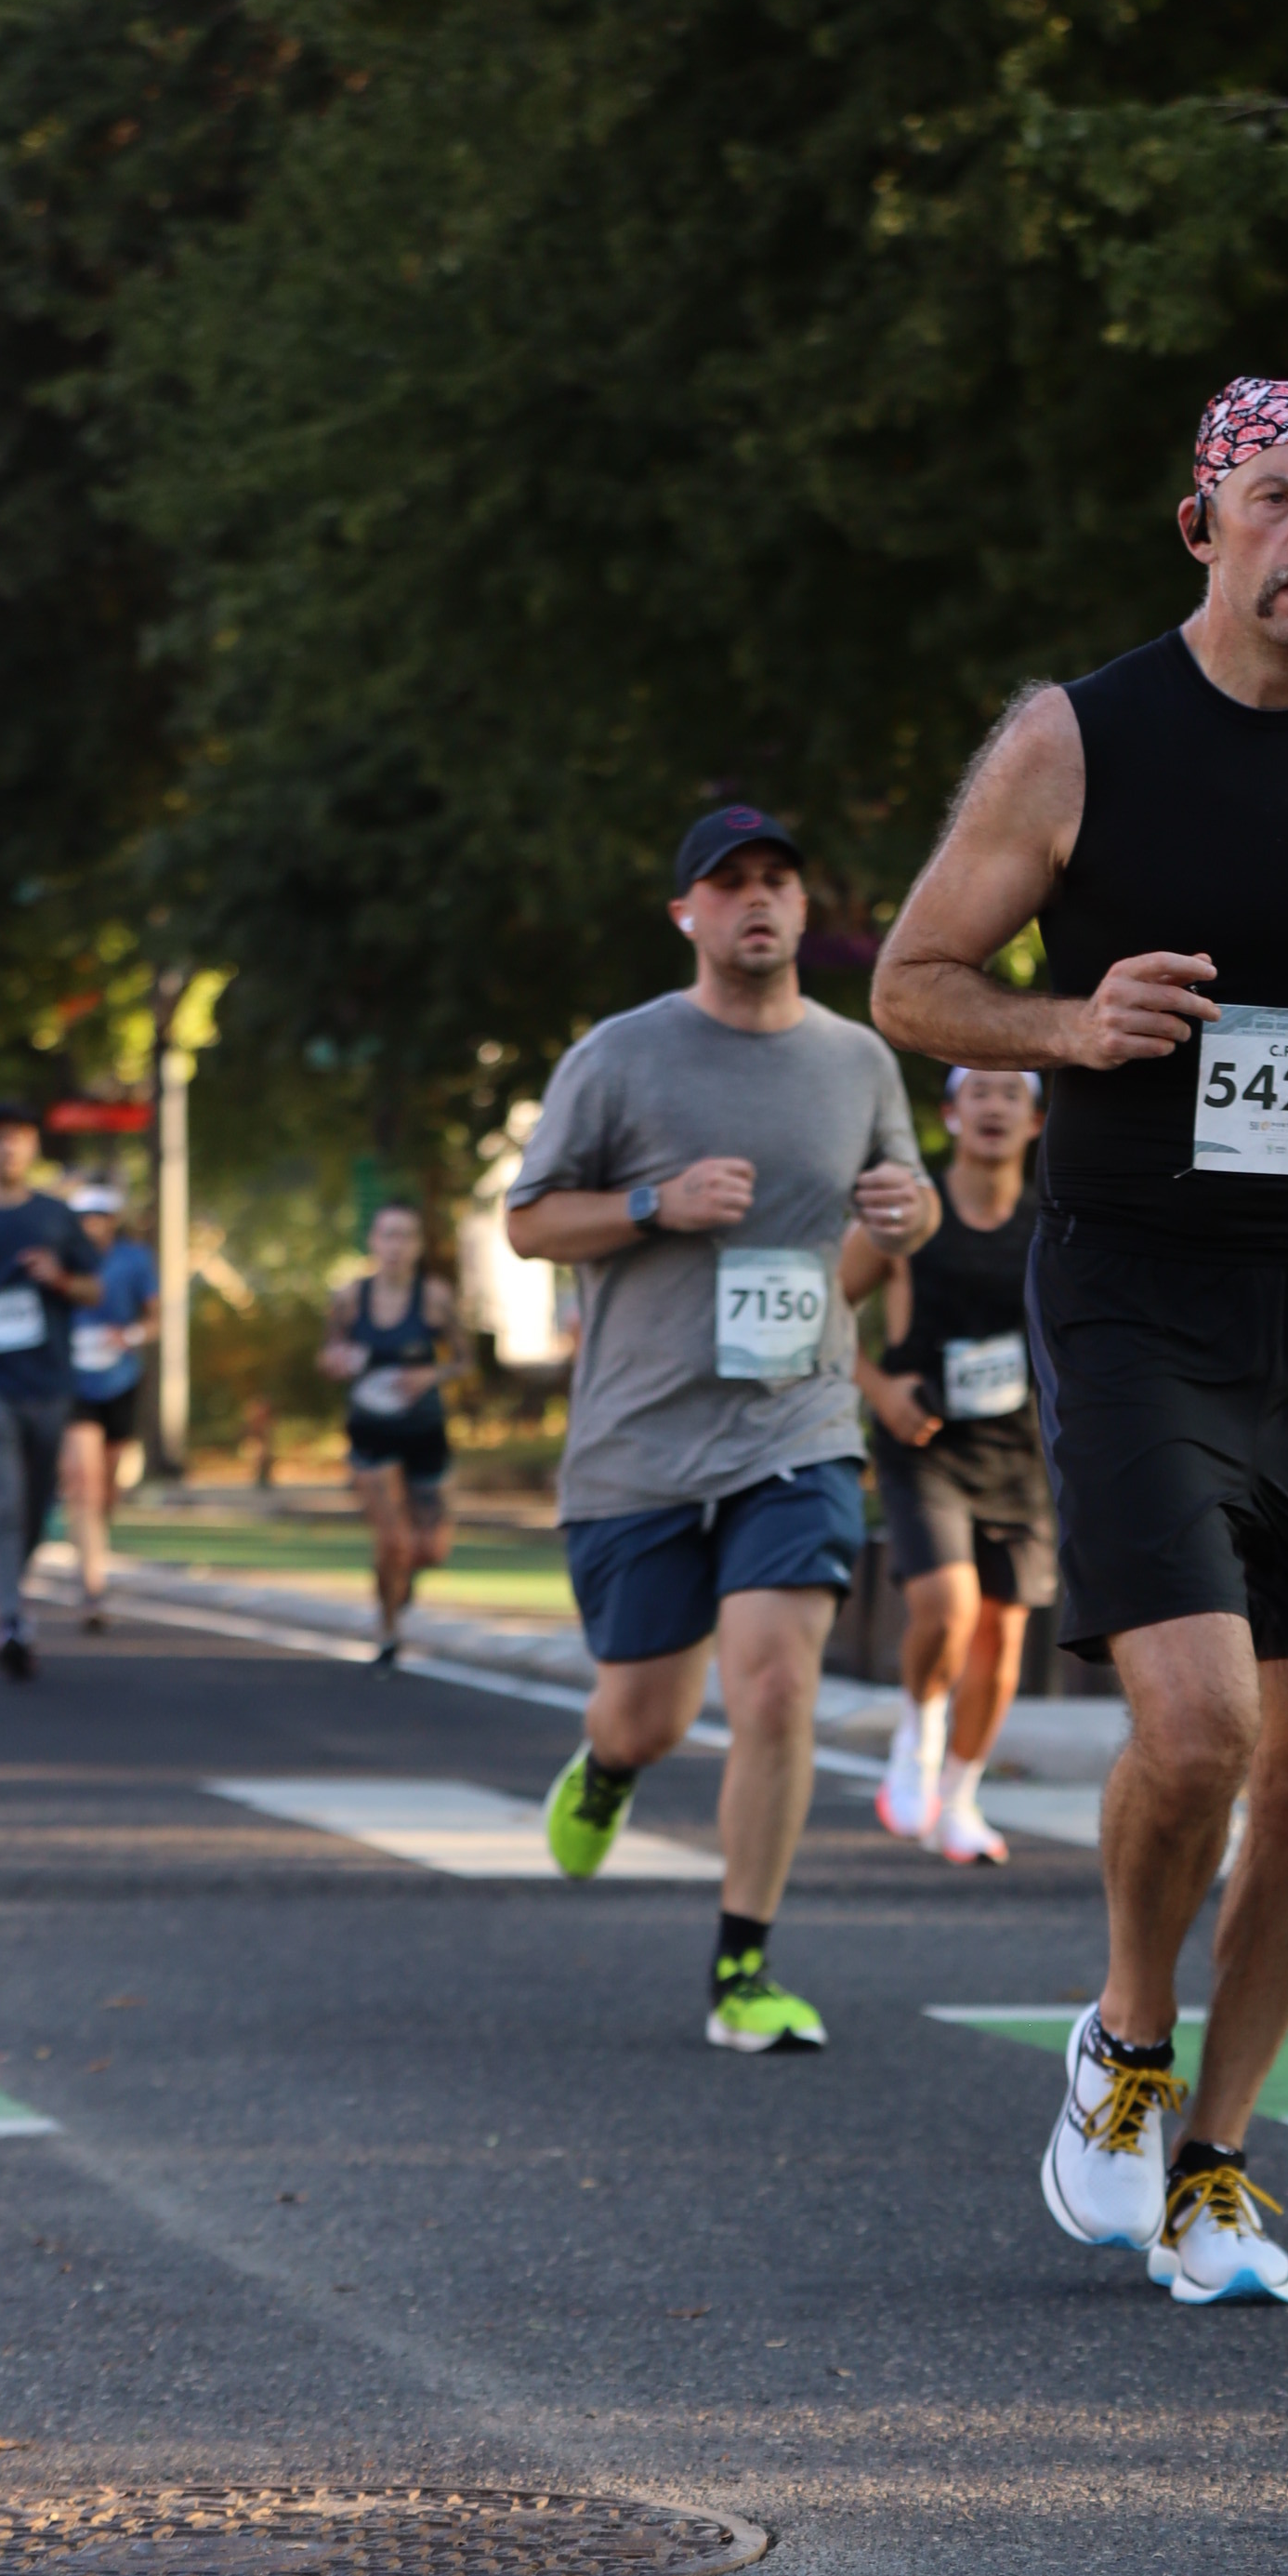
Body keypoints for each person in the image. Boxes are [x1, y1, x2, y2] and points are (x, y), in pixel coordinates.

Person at [873, 374, 1288, 2304]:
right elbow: (916, 981)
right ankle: (1123, 2036)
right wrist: (1066, 1028)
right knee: (1202, 1724)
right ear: (1204, 525)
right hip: (1134, 1281)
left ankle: (1216, 2167)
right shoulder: (1076, 739)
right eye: (1276, 500)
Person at [504, 806, 937, 2055]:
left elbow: (900, 1216)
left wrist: (906, 1216)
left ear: (803, 909)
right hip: (640, 1441)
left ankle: (743, 1967)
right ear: (686, 913)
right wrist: (657, 1202)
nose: (758, 899)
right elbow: (528, 1224)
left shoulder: (857, 1061)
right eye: (730, 882)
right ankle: (609, 1765)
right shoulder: (619, 1057)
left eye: (778, 881)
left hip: (796, 1422)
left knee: (777, 1685)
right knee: (644, 1714)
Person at [861, 1063, 1057, 1866]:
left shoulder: (1054, 1221)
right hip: (925, 1443)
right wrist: (880, 1390)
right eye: (979, 1092)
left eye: (1014, 1094)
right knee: (947, 1608)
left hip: (1020, 1453)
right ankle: (916, 1739)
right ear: (949, 1113)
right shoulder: (914, 1210)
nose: (995, 1107)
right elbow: (825, 1306)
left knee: (1002, 1642)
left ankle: (961, 1800)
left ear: (1036, 1122)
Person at [0, 1102, 98, 1682]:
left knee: (34, 1506)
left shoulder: (57, 1216)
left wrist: (59, 1277)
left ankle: (11, 1593)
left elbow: (94, 1291)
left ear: (32, 1148)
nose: (7, 1147)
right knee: (0, 1503)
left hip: (48, 1383)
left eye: (19, 1137)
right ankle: (12, 1618)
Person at [317, 1200, 462, 1665]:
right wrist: (337, 1362)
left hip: (424, 1430)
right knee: (393, 1541)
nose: (396, 1246)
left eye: (405, 1236)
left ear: (418, 1245)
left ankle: (403, 1582)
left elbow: (464, 1360)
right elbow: (328, 1355)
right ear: (373, 1242)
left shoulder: (435, 1297)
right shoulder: (349, 1299)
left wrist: (430, 1374)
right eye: (388, 1235)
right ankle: (387, 1627)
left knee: (430, 1550)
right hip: (371, 1431)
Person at [58, 1184, 157, 1630]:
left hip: (119, 1380)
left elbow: (153, 1317)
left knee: (108, 1488)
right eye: (82, 1217)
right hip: (71, 1382)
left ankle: (94, 1546)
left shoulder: (135, 1259)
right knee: (84, 1481)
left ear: (112, 1219)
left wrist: (129, 1336)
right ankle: (91, 1587)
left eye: (98, 1215)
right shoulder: (61, 1260)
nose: (90, 1224)